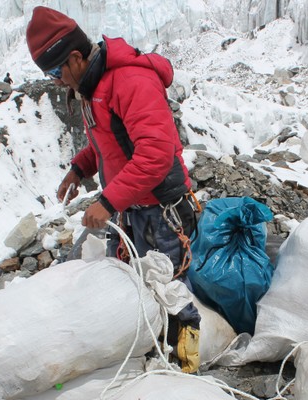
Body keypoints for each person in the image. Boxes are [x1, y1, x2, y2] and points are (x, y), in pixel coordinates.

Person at [26, 6, 201, 373]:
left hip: (161, 208)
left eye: (57, 72)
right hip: (134, 205)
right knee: (128, 282)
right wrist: (80, 168)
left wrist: (107, 201)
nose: (57, 82)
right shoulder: (94, 88)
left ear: (75, 57)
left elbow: (155, 154)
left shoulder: (129, 82)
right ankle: (144, 354)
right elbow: (108, 143)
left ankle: (186, 368)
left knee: (170, 290)